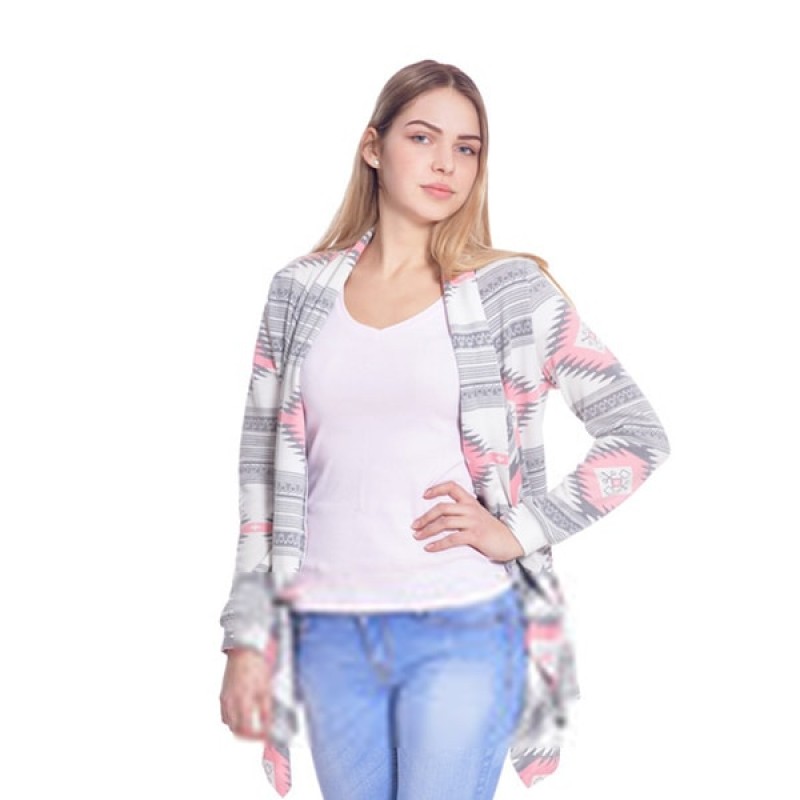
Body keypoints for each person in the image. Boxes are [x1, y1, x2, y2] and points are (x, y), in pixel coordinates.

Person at [218, 59, 670, 800]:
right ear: (373, 147)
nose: (445, 164)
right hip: (327, 630)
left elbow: (636, 433)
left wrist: (518, 530)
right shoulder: (296, 292)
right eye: (422, 138)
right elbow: (259, 481)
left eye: (467, 148)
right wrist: (244, 637)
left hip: (462, 625)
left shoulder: (510, 292)